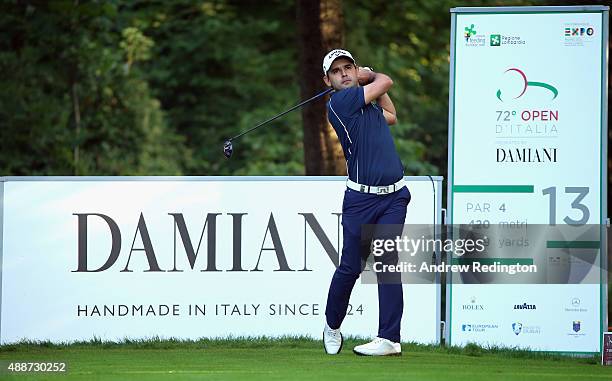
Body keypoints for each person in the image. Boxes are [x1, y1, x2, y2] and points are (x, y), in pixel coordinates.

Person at [321, 49, 411, 356]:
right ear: (328, 80)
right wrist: (369, 76)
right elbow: (386, 81)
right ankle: (332, 326)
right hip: (361, 201)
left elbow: (392, 117)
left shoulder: (365, 103)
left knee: (387, 262)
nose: (345, 73)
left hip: (394, 197)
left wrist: (367, 82)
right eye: (337, 71)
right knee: (350, 268)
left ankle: (389, 339)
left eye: (349, 67)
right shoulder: (339, 102)